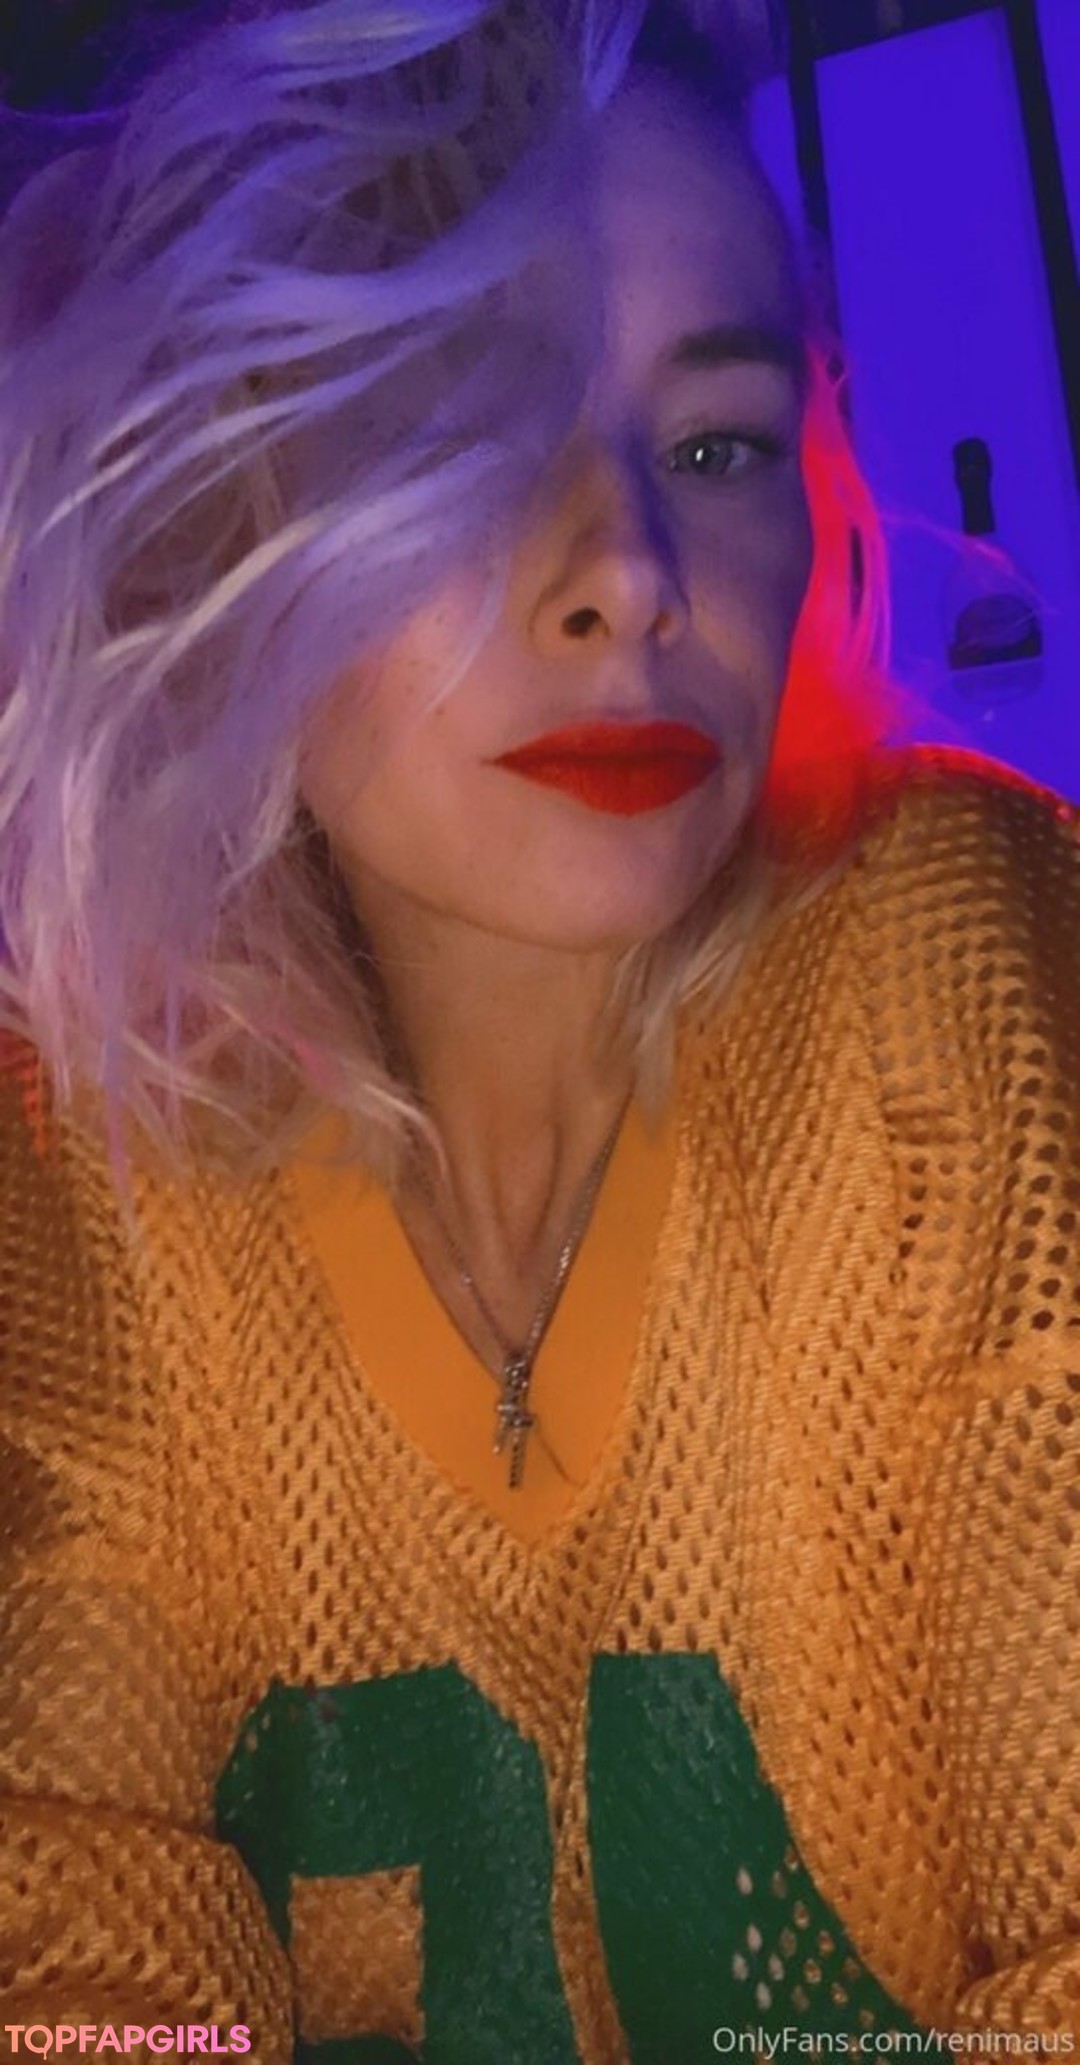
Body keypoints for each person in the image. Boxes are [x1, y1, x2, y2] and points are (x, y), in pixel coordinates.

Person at [0, 1, 1077, 2059]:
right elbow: (75, 1964)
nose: (630, 576)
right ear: (216, 517)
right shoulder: (102, 1157)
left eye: (716, 445)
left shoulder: (942, 979)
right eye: (466, 436)